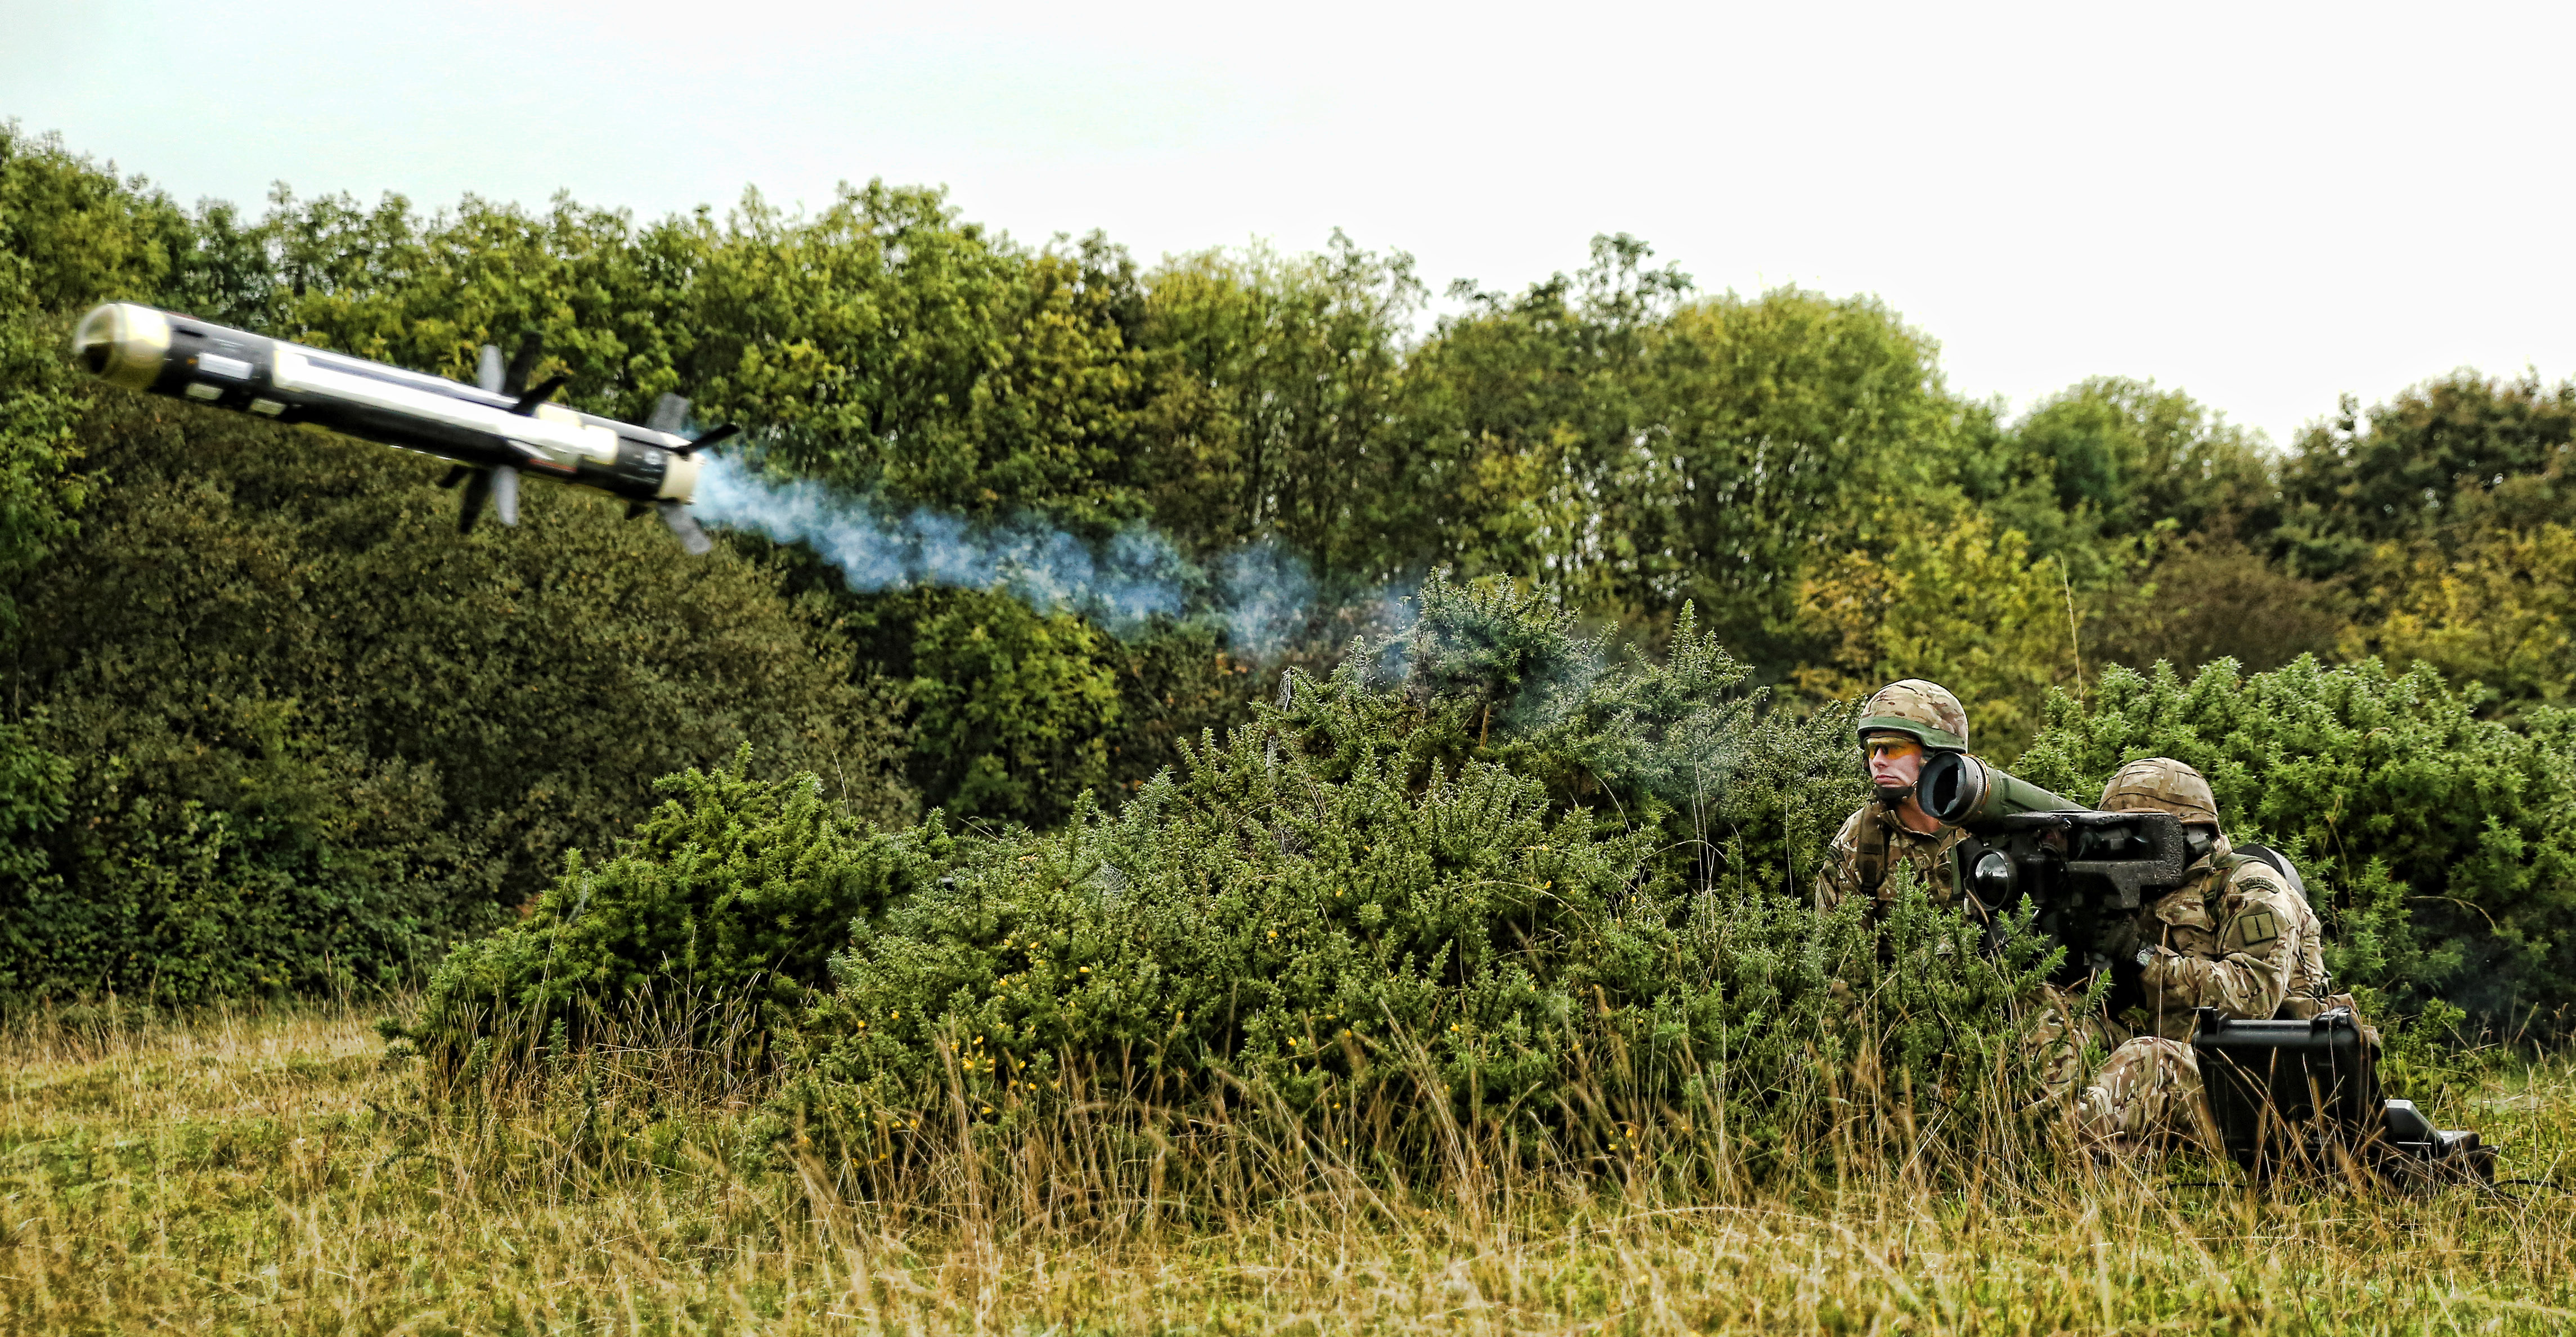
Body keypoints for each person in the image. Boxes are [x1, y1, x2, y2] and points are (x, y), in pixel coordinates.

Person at [2071, 757, 2329, 1148]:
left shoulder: (2251, 887)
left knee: (2149, 1059)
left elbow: (2254, 995)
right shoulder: (2135, 888)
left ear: (2192, 834)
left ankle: (2058, 1152)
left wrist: (2141, 956)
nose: (2126, 849)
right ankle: (2014, 1139)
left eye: (2141, 835)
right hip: (2154, 1047)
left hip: (2244, 1072)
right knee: (2051, 1013)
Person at [1813, 679, 1974, 917]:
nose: (1877, 760)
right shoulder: (1858, 841)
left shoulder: (1989, 826)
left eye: (1893, 748)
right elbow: (1840, 950)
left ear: (1938, 753)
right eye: (1872, 748)